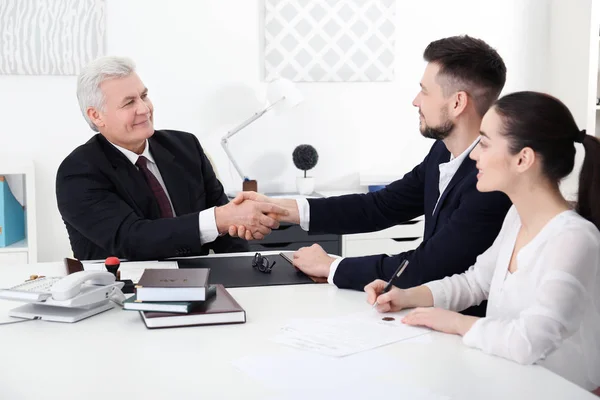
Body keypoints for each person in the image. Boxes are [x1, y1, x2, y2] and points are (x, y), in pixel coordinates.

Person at [230, 36, 512, 315]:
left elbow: (429, 267)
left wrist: (331, 266)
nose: (415, 101)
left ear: (457, 103)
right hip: (429, 317)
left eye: (425, 91)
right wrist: (281, 210)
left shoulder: (490, 182)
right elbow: (381, 206)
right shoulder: (442, 151)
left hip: (467, 331)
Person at [365, 91, 600, 393]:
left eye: (485, 144)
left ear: (523, 159)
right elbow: (475, 282)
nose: (474, 154)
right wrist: (408, 296)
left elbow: (530, 341)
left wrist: (455, 323)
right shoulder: (517, 216)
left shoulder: (574, 239)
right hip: (512, 383)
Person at [56, 56, 287, 260]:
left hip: (200, 282)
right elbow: (132, 239)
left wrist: (246, 267)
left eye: (144, 96)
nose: (145, 109)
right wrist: (219, 219)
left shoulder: (186, 147)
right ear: (96, 115)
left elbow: (228, 231)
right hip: (123, 293)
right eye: (129, 102)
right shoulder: (78, 172)